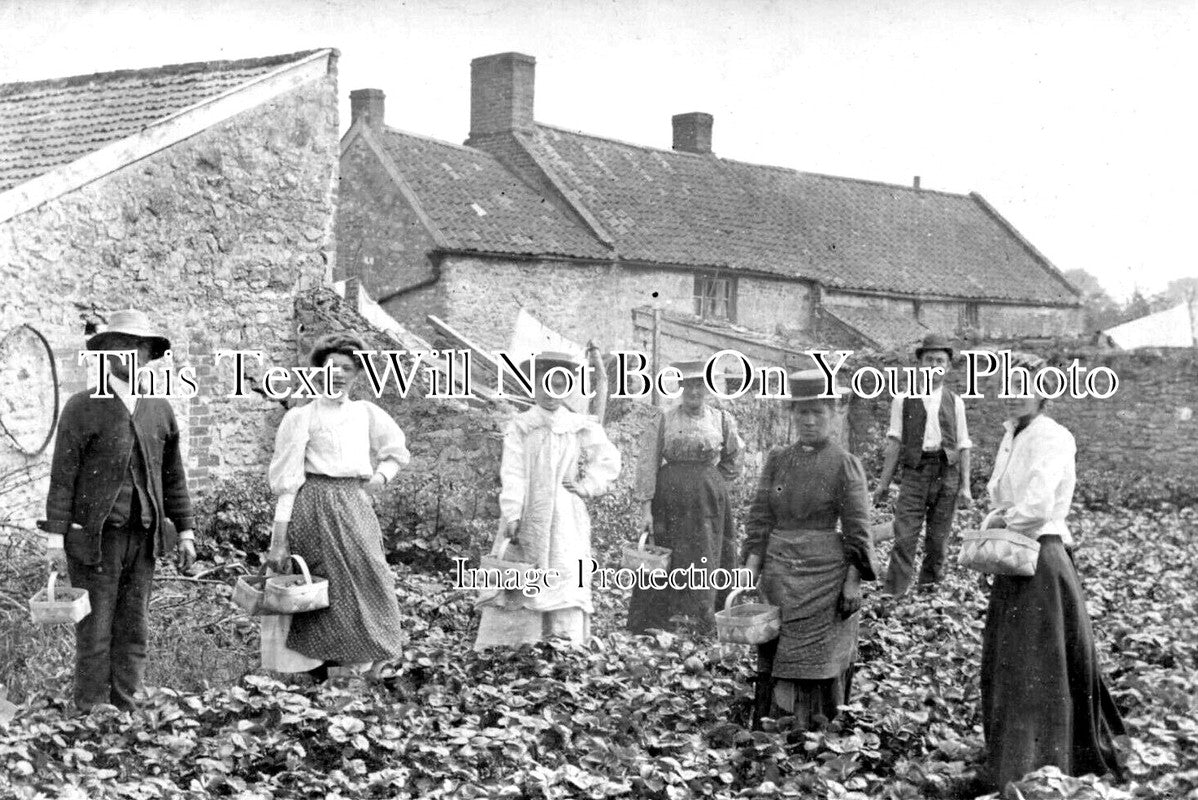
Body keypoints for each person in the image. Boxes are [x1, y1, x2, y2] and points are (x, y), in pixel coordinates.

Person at [978, 353, 1124, 791]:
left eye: (1023, 384)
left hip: (1040, 559)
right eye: (1006, 384)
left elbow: (1038, 507)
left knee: (1034, 669)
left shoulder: (1051, 435)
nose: (1013, 393)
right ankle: (1014, 765)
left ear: (1044, 391)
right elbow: (1005, 499)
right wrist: (996, 520)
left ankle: (1039, 768)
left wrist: (1001, 523)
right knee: (1011, 666)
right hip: (1015, 558)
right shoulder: (1013, 434)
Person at [43, 309, 196, 711]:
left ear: (148, 357)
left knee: (134, 628)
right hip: (95, 542)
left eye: (140, 349)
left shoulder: (160, 410)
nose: (132, 357)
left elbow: (174, 478)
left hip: (142, 539)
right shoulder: (81, 407)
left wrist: (186, 532)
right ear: (106, 355)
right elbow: (63, 479)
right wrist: (55, 540)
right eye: (122, 347)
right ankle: (92, 711)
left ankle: (126, 706)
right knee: (95, 629)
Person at [266, 332, 409, 681]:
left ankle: (371, 665)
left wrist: (380, 478)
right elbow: (288, 482)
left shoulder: (366, 413)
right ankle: (322, 673)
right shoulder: (302, 417)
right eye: (332, 368)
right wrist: (279, 540)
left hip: (355, 505)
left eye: (347, 368)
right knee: (320, 590)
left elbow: (396, 452)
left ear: (358, 374)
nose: (339, 375)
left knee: (372, 577)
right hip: (312, 507)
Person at [742, 370, 877, 730]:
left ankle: (817, 730)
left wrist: (853, 581)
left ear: (833, 414)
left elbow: (857, 528)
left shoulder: (844, 463)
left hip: (825, 577)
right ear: (793, 414)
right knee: (776, 650)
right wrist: (749, 572)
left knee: (819, 656)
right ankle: (774, 727)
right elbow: (760, 519)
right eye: (803, 412)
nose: (810, 420)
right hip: (779, 573)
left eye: (818, 412)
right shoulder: (778, 461)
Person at [473, 351, 621, 650]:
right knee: (522, 568)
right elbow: (512, 471)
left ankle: (563, 641)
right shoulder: (521, 425)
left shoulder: (578, 424)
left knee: (564, 566)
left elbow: (606, 459)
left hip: (565, 510)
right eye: (545, 386)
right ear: (534, 386)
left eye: (559, 386)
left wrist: (585, 485)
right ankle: (517, 642)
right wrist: (513, 512)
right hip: (528, 511)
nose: (552, 394)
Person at [628, 361, 742, 634]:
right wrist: (646, 510)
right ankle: (661, 623)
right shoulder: (664, 418)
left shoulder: (721, 419)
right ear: (680, 387)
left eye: (700, 385)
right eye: (689, 385)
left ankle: (703, 618)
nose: (694, 391)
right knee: (669, 552)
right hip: (670, 498)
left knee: (706, 553)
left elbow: (734, 458)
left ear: (708, 388)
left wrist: (713, 482)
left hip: (707, 501)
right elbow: (647, 463)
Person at [874, 332, 972, 596]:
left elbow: (963, 445)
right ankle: (895, 594)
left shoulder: (956, 402)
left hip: (946, 473)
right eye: (928, 360)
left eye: (939, 360)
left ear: (948, 367)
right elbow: (894, 443)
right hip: (915, 472)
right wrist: (883, 484)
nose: (933, 366)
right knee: (905, 536)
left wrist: (966, 488)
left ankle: (929, 594)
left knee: (938, 540)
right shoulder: (902, 399)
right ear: (920, 364)